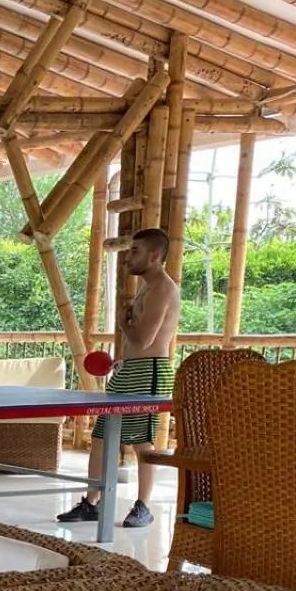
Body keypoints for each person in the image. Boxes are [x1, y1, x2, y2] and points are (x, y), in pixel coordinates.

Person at [58, 226, 180, 529]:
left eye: (135, 251)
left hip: (149, 372)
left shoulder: (163, 289)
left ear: (154, 255)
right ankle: (91, 503)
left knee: (142, 442)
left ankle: (143, 506)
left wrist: (124, 323)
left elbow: (143, 339)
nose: (129, 256)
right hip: (130, 370)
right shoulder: (146, 287)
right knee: (101, 438)